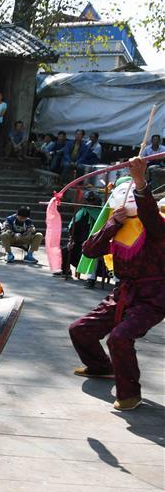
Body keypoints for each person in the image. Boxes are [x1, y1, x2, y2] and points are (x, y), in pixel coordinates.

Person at [69, 158, 165, 411]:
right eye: (122, 194)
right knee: (80, 329)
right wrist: (112, 224)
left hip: (153, 297)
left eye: (131, 193)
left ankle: (130, 394)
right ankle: (101, 367)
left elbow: (150, 214)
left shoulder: (157, 225)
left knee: (120, 338)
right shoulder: (117, 225)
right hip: (122, 293)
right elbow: (89, 250)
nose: (126, 198)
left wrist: (139, 180)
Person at [54, 190, 103, 282]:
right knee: (65, 250)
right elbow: (73, 227)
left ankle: (91, 278)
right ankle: (66, 270)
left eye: (92, 201)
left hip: (95, 244)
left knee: (94, 255)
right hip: (79, 244)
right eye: (88, 201)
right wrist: (71, 240)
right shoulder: (82, 212)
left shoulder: (101, 213)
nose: (90, 203)